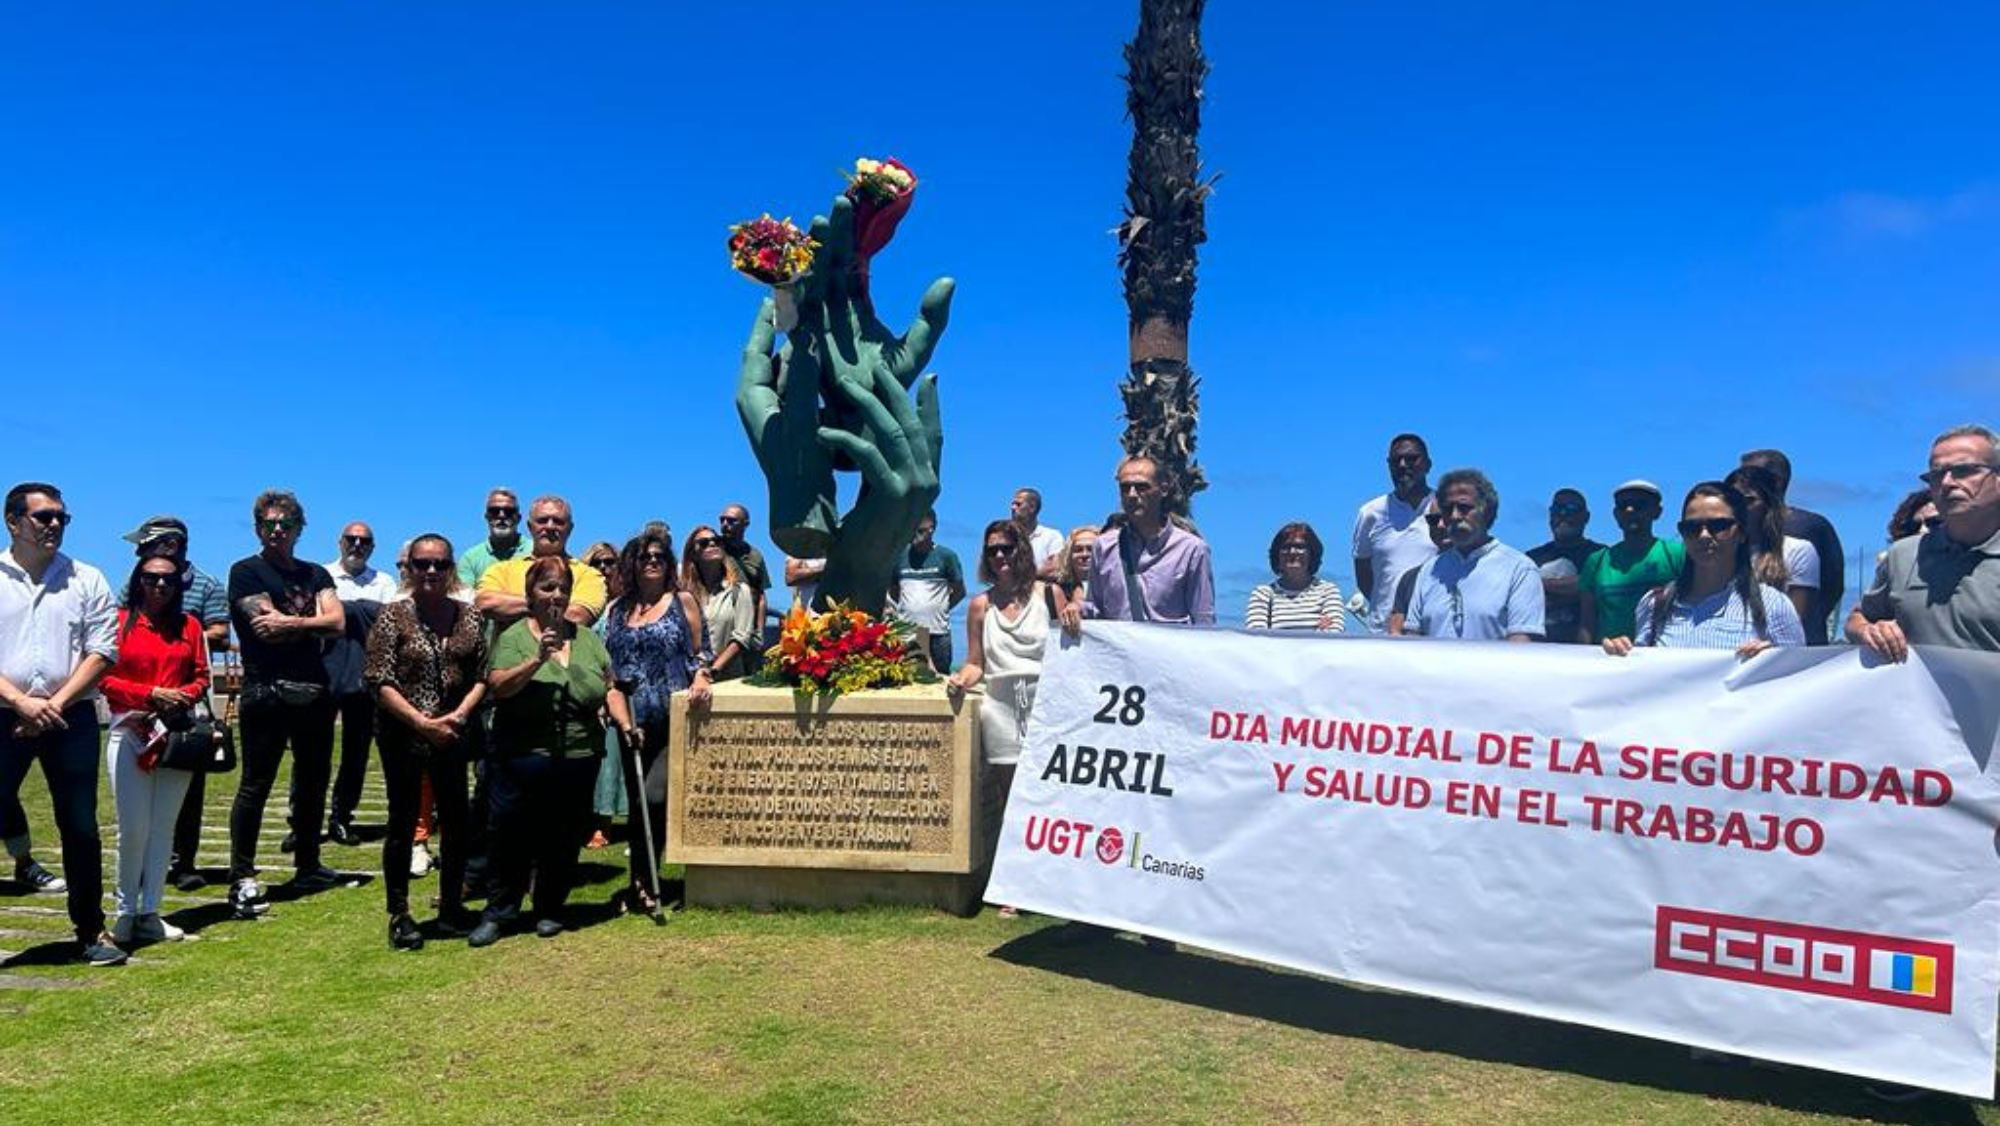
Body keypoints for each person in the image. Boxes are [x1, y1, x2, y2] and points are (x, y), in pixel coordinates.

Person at [472, 557, 629, 946]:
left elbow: (609, 685)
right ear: (530, 595)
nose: (556, 595)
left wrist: (625, 722)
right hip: (521, 754)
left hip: (578, 754)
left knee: (562, 836)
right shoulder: (513, 638)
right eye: (547, 588)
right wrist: (537, 659)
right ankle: (500, 913)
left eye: (562, 587)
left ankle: (550, 908)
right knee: (510, 834)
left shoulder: (588, 639)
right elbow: (498, 686)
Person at [0, 483, 124, 965]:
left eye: (61, 518)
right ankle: (25, 860)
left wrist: (52, 704)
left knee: (80, 826)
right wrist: (19, 701)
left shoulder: (86, 578)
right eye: (43, 517)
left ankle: (92, 930)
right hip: (5, 712)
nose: (54, 525)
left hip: (69, 714)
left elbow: (102, 651)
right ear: (13, 522)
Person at [225, 489, 346, 920]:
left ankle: (308, 865)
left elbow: (337, 622)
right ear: (258, 527)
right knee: (256, 784)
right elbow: (263, 627)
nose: (277, 530)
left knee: (313, 781)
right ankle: (242, 874)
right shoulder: (245, 571)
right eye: (269, 523)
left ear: (300, 528)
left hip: (314, 690)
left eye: (286, 523)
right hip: (266, 691)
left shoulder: (315, 574)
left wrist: (293, 621)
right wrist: (308, 623)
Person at [363, 533, 487, 950]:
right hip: (402, 732)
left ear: (451, 568)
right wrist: (420, 722)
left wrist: (460, 715)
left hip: (453, 731)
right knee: (402, 822)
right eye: (421, 564)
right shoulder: (392, 616)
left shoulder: (470, 616)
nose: (430, 571)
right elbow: (378, 680)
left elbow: (481, 675)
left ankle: (451, 905)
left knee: (456, 822)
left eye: (439, 564)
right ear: (409, 569)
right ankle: (399, 913)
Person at [101, 553, 211, 945]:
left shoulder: (190, 625)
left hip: (174, 736)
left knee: (163, 828)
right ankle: (125, 911)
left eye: (168, 579)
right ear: (137, 580)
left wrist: (182, 696)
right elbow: (105, 679)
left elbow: (201, 675)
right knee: (133, 828)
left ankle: (151, 910)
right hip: (130, 730)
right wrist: (150, 695)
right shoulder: (118, 623)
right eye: (151, 578)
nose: (160, 585)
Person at [947, 520, 1056, 912]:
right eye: (992, 550)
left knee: (1049, 794)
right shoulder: (980, 605)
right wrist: (962, 678)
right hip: (1001, 702)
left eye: (1006, 548)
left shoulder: (1049, 595)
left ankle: (1051, 882)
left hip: (1046, 701)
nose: (999, 556)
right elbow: (976, 662)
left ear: (1021, 550)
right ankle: (1016, 886)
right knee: (1012, 798)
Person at [119, 517, 232, 894]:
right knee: (137, 794)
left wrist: (185, 627)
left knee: (187, 786)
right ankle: (144, 864)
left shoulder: (209, 584)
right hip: (141, 704)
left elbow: (218, 631)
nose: (142, 553)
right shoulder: (138, 579)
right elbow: (123, 625)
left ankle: (184, 859)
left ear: (170, 545)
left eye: (148, 545)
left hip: (184, 700)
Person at [604, 529, 713, 915]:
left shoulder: (682, 601)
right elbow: (610, 667)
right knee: (636, 804)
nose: (652, 561)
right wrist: (620, 717)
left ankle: (651, 878)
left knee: (655, 795)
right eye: (645, 556)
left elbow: (703, 651)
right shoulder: (618, 610)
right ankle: (641, 882)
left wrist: (702, 676)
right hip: (631, 720)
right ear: (632, 563)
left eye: (660, 556)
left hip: (674, 717)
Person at [1602, 483, 1805, 657]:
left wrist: (1773, 663)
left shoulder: (1773, 606)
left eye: (1719, 526)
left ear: (1742, 532)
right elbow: (1643, 680)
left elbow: (1797, 685)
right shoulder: (1654, 605)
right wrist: (1619, 655)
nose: (1704, 535)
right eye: (1692, 528)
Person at [1849, 424, 2000, 657]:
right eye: (1937, 474)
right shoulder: (1903, 556)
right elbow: (1859, 618)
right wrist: (1869, 631)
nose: (1947, 483)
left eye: (1963, 470)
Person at [1062, 456, 1215, 630]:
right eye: (1125, 488)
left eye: (1142, 487)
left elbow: (1203, 621)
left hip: (1170, 655)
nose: (1132, 494)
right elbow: (1097, 608)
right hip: (1120, 654)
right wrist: (1077, 608)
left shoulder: (1192, 550)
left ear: (1163, 489)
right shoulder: (1104, 547)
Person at [1394, 469, 1544, 642]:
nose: (1455, 516)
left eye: (1464, 508)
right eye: (1448, 509)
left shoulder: (1519, 570)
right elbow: (1413, 641)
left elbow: (1521, 645)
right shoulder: (1429, 572)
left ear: (1486, 511)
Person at [321, 521, 398, 847]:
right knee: (313, 753)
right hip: (324, 673)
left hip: (365, 676)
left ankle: (341, 816)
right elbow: (322, 621)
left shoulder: (383, 581)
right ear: (340, 542)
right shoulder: (321, 576)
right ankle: (301, 822)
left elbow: (390, 620)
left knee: (356, 752)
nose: (357, 545)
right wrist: (363, 612)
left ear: (372, 547)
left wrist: (342, 612)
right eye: (351, 539)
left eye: (364, 541)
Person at [1741, 449, 1847, 645]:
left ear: (1778, 481)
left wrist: (1808, 621)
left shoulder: (1811, 526)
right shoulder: (1738, 530)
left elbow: (1833, 586)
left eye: (1752, 475)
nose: (1743, 481)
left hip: (1801, 647)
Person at [474, 495, 607, 628]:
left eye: (558, 521)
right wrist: (544, 605)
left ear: (570, 528)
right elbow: (484, 603)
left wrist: (515, 606)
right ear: (530, 527)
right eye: (542, 520)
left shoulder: (589, 576)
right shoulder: (502, 570)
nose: (550, 526)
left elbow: (577, 616)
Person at [1577, 481, 1684, 644]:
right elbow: (1586, 624)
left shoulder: (1676, 554)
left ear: (1657, 512)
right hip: (1610, 659)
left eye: (1639, 505)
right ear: (1615, 514)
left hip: (1661, 660)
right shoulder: (1597, 561)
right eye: (1623, 505)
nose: (1629, 510)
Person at [1351, 433, 1437, 633]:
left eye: (1412, 458)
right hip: (1382, 631)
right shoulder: (1370, 513)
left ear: (1428, 465)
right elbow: (1364, 575)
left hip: (1434, 631)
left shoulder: (1444, 509)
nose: (1403, 465)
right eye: (1396, 460)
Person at [1722, 465, 1819, 626]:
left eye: (1749, 500)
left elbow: (1796, 621)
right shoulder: (1717, 551)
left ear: (1769, 503)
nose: (1740, 508)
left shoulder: (1797, 550)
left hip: (1773, 645)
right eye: (1733, 501)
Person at [887, 512, 966, 671]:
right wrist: (908, 609)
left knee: (941, 677)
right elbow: (893, 590)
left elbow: (959, 591)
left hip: (938, 631)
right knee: (909, 677)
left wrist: (941, 608)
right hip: (908, 631)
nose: (914, 535)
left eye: (920, 530)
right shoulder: (899, 556)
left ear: (932, 530)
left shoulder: (946, 556)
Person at [1525, 489, 1605, 644]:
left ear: (1586, 517)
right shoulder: (1530, 558)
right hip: (1538, 651)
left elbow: (1594, 589)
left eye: (1571, 508)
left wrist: (1538, 583)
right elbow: (1521, 598)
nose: (1562, 514)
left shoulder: (1601, 555)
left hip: (1583, 653)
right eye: (1556, 509)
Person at [684, 525, 761, 680]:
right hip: (688, 680)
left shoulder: (739, 590)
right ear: (693, 554)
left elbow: (742, 637)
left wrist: (712, 671)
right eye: (704, 543)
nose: (712, 544)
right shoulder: (682, 595)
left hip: (726, 680)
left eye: (717, 541)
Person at [1245, 523, 1344, 631]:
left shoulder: (1328, 591)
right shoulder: (1263, 594)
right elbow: (1257, 638)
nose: (1292, 552)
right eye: (1286, 547)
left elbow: (1334, 636)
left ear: (1311, 553)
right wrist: (1317, 633)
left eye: (1299, 547)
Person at [717, 504, 772, 660]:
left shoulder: (755, 556)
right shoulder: (713, 549)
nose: (725, 524)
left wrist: (760, 630)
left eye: (731, 521)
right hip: (723, 623)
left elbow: (761, 595)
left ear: (745, 524)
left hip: (749, 626)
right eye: (722, 520)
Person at [1384, 506, 1448, 636]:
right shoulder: (1411, 578)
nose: (1440, 525)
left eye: (1447, 517)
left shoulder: (1494, 573)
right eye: (1433, 520)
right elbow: (1395, 630)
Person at [456, 488, 528, 590]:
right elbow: (465, 600)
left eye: (509, 511)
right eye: (494, 511)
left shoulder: (535, 550)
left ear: (518, 518)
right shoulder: (470, 559)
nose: (501, 515)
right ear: (487, 517)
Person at [1011, 488, 1066, 579]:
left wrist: (1017, 578)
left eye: (1018, 504)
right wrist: (1039, 572)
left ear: (1032, 508)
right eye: (1012, 504)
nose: (1012, 508)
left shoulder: (1052, 536)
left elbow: (1054, 569)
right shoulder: (1006, 538)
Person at [1055, 526, 1098, 609]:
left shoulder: (1110, 589)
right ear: (1069, 556)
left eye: (1091, 549)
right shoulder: (1058, 589)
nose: (1084, 554)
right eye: (1078, 549)